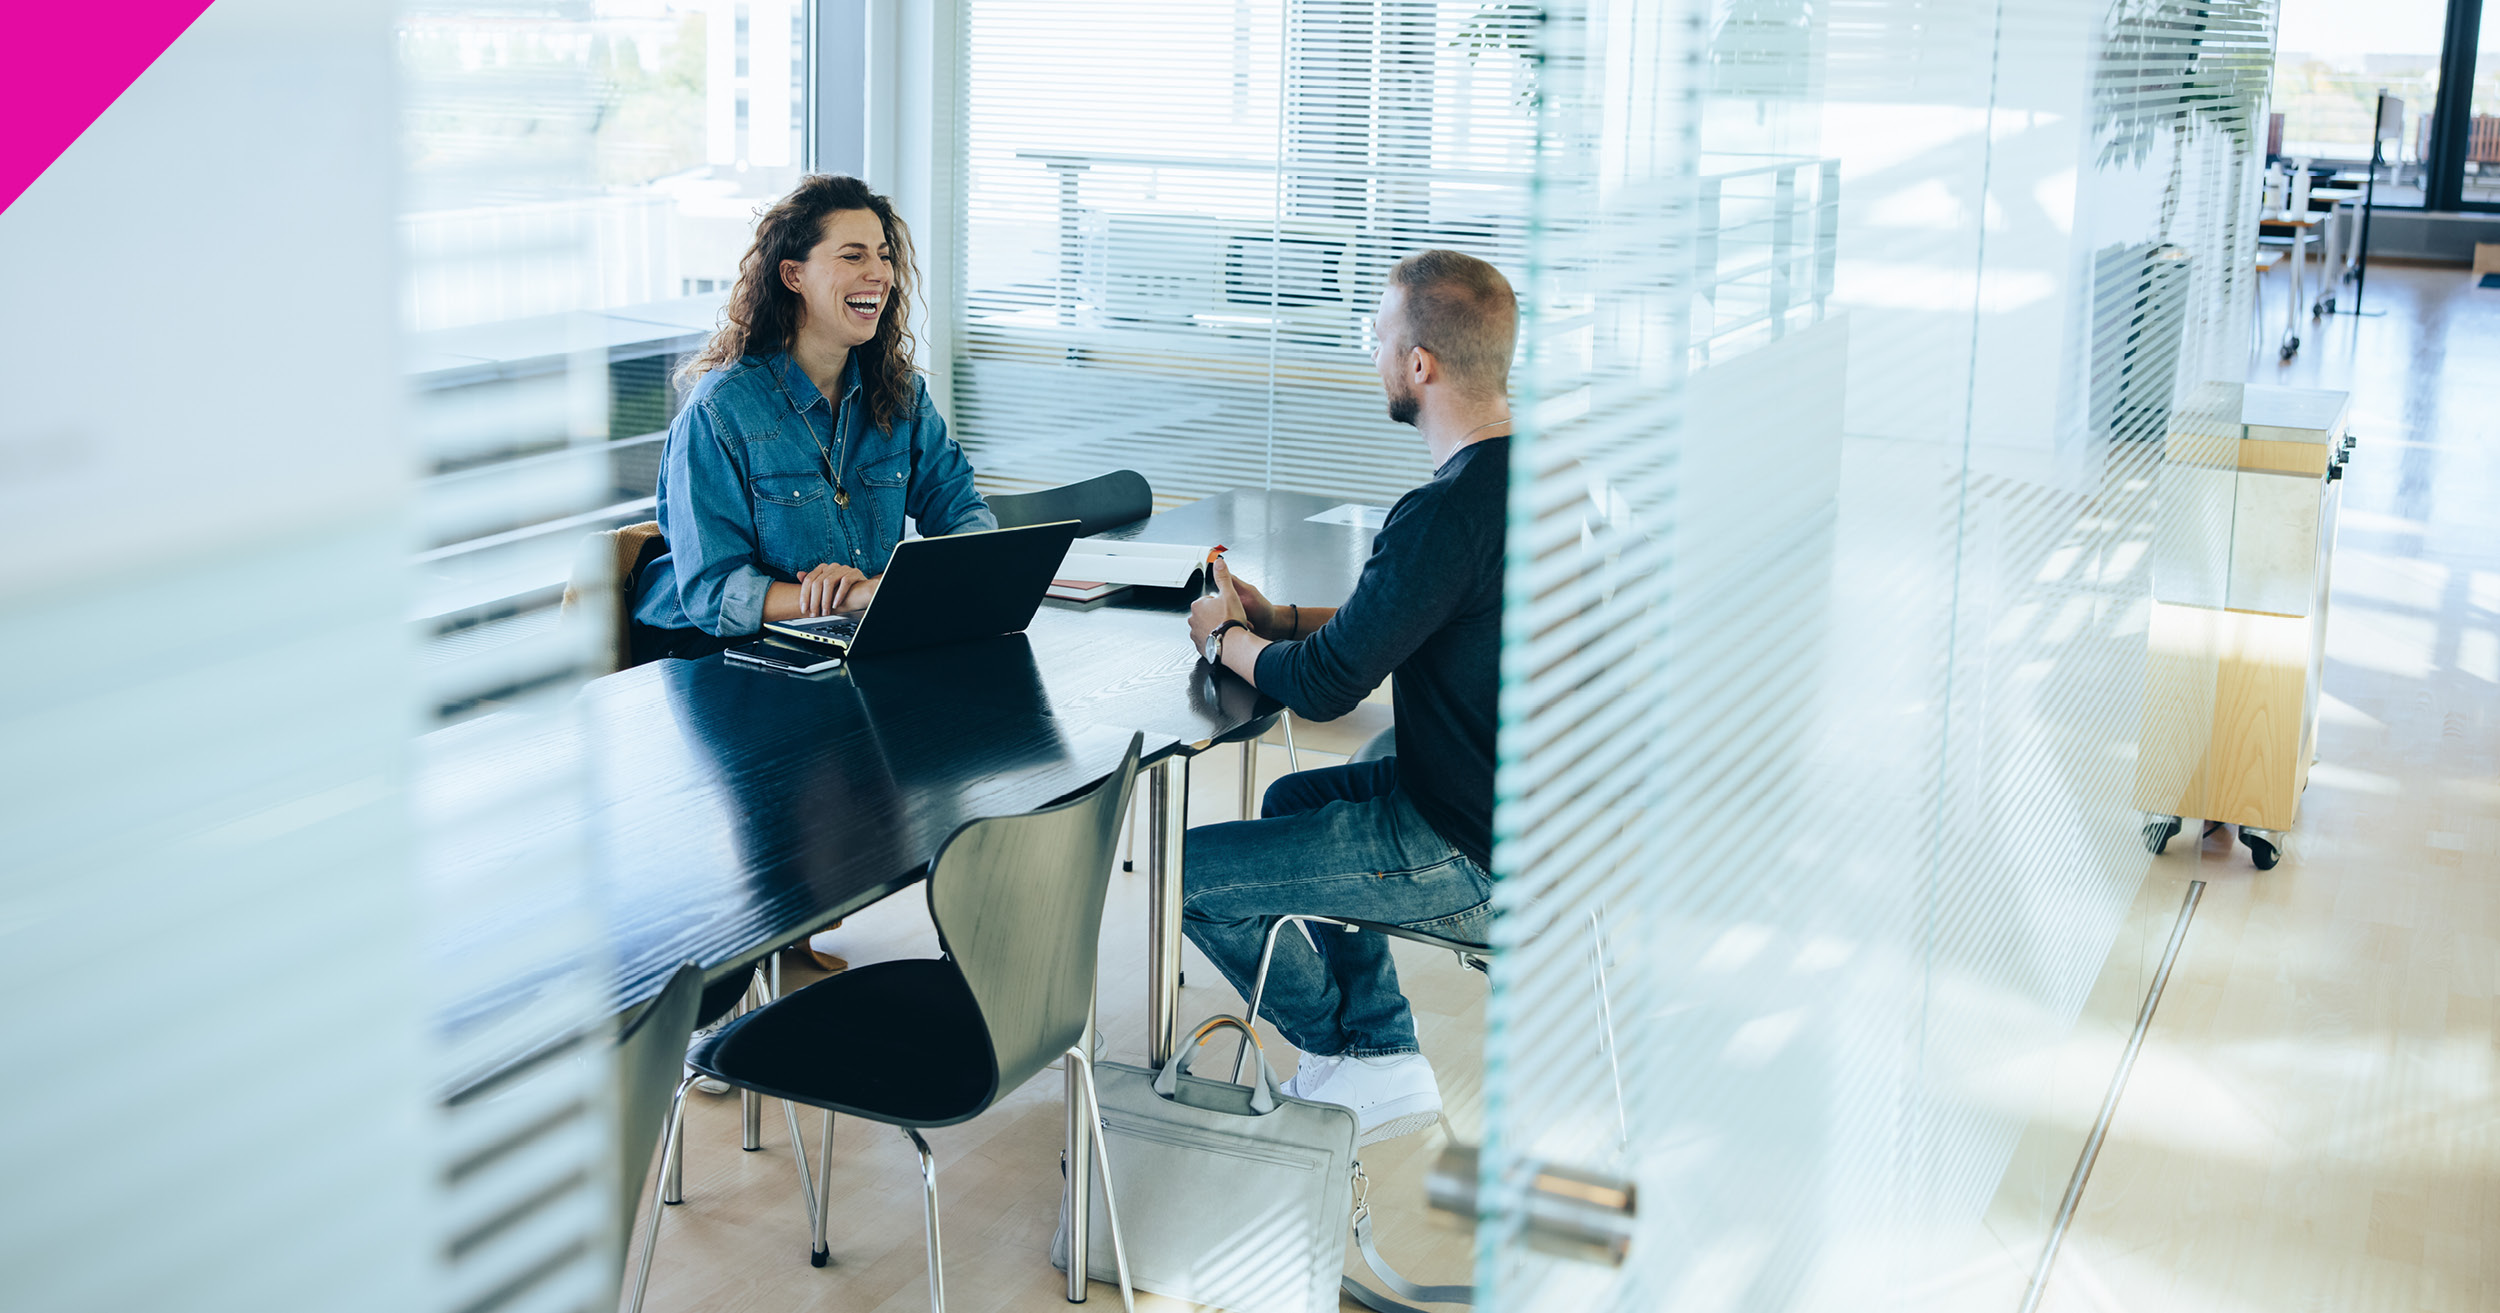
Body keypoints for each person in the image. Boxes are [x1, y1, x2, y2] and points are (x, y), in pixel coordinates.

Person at [1181, 249, 1514, 1144]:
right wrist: (1277, 616)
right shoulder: (1534, 487)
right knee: (1297, 795)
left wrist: (1224, 636)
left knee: (1190, 877)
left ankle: (1351, 1058)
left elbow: (1326, 687)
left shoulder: (1443, 512)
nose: (1371, 356)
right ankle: (1379, 1041)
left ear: (1421, 364)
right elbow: (1413, 614)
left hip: (1468, 854)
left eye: (1378, 339)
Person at [634, 175, 994, 658]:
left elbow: (964, 516)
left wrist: (878, 589)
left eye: (884, 255)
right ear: (793, 276)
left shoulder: (899, 391)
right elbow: (714, 593)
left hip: (841, 637)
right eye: (853, 256)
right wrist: (857, 596)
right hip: (711, 655)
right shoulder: (718, 412)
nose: (880, 274)